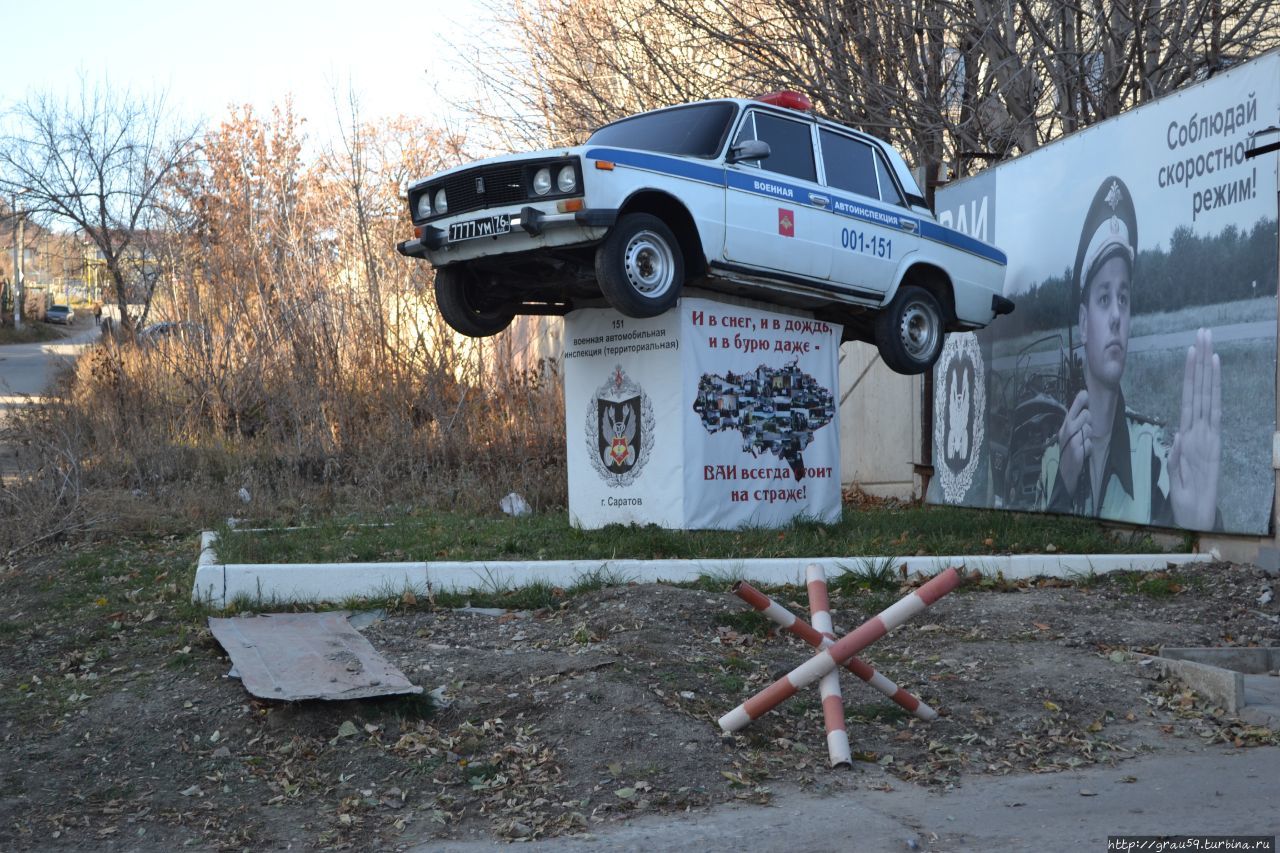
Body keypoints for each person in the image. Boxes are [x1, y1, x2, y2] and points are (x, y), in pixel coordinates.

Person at [1038, 176, 1221, 530]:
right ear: (1084, 321)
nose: (1117, 316)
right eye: (1104, 298)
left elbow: (1191, 561)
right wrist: (1065, 483)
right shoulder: (1053, 458)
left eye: (1124, 298)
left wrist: (1202, 525)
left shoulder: (1155, 457)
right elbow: (1036, 564)